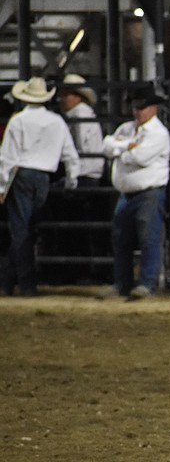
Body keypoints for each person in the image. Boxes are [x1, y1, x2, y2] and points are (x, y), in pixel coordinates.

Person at [0, 77, 79, 296]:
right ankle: (17, 282)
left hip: (21, 174)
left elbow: (7, 157)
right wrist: (72, 181)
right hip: (44, 176)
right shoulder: (57, 122)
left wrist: (1, 187)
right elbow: (70, 154)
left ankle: (17, 282)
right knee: (30, 230)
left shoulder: (18, 121)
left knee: (21, 230)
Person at [99, 85, 170, 300]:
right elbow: (107, 145)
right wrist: (127, 147)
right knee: (122, 240)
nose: (137, 111)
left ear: (153, 108)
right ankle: (124, 283)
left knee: (147, 239)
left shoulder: (158, 134)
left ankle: (146, 284)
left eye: (142, 107)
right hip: (128, 192)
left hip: (148, 192)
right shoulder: (128, 129)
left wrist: (120, 149)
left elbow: (139, 157)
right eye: (135, 107)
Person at [58, 74, 105, 189]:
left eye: (66, 95)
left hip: (84, 172)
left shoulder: (79, 115)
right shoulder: (82, 113)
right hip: (88, 171)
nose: (62, 99)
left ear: (78, 97)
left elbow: (79, 144)